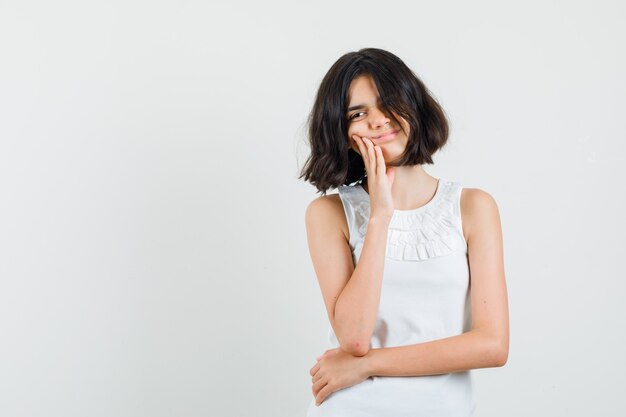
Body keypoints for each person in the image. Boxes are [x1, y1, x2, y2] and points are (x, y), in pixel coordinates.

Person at [298, 48, 509, 417]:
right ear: (344, 133)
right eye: (358, 113)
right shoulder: (328, 214)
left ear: (413, 105)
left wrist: (367, 364)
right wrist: (380, 217)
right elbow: (355, 338)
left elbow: (492, 345)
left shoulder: (474, 207)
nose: (378, 121)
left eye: (388, 103)